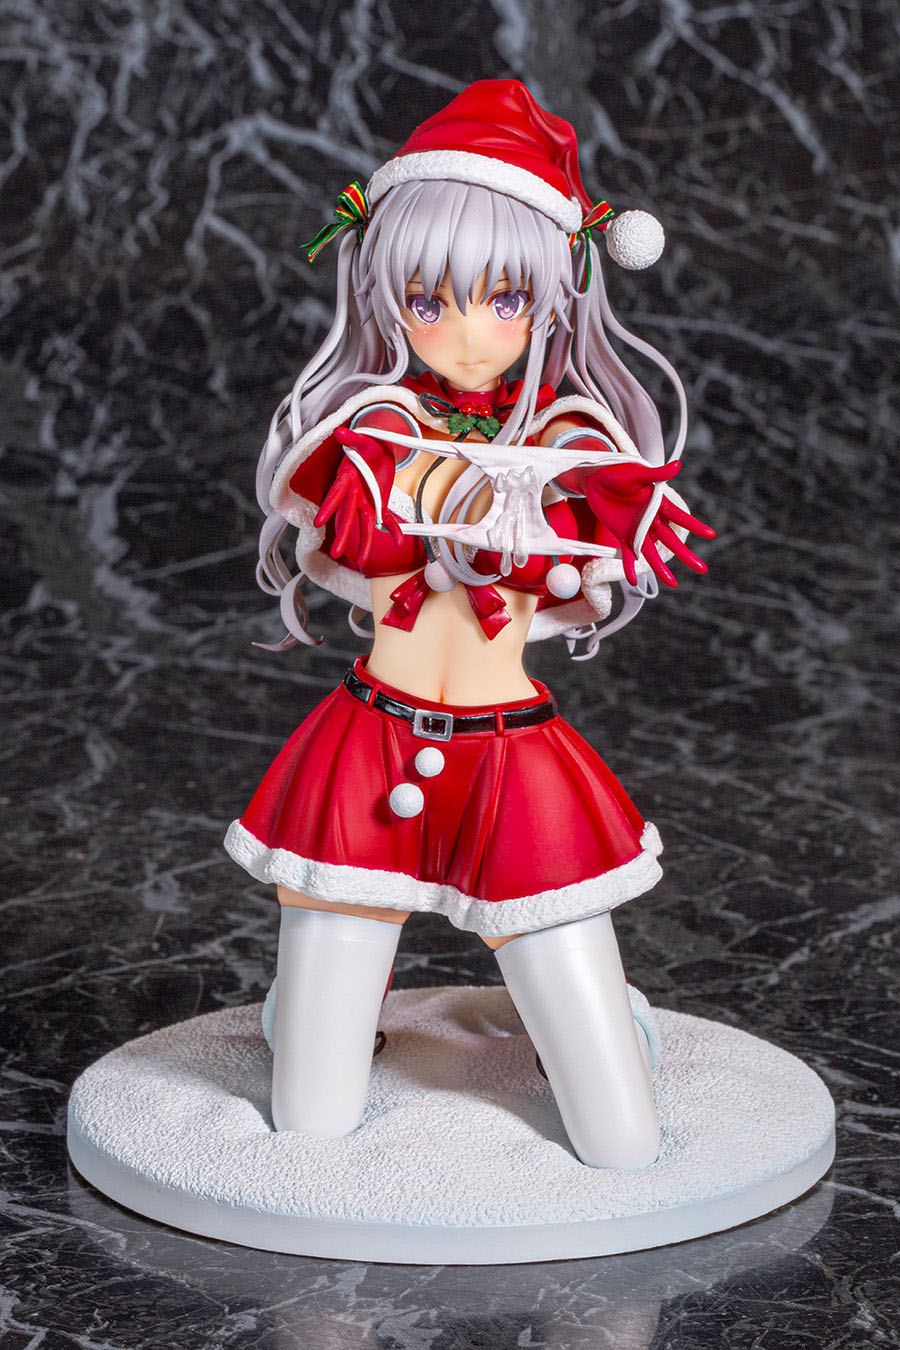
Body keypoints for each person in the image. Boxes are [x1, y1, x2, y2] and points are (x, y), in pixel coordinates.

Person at [225, 80, 715, 1168]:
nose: (465, 333)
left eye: (504, 300)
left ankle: (610, 1020)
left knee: (620, 1138)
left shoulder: (571, 442)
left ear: (554, 299)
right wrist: (412, 504)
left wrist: (591, 515)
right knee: (309, 1120)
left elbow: (568, 572)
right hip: (370, 748)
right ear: (386, 297)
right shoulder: (370, 429)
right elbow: (351, 538)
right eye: (427, 300)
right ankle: (302, 1015)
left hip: (514, 762)